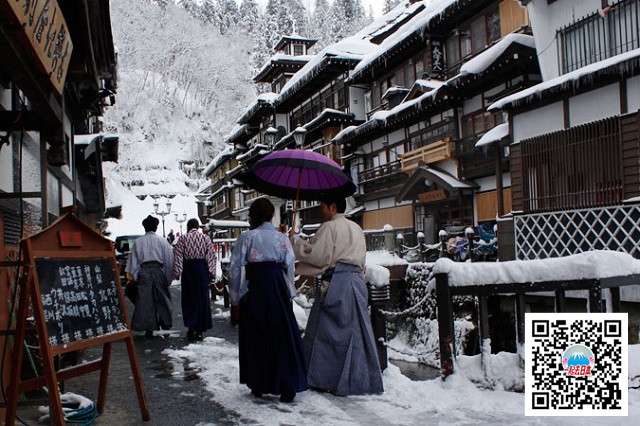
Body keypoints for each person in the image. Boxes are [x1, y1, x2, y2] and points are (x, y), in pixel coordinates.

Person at [291, 196, 383, 396]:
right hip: (357, 282)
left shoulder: (329, 227)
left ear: (332, 207)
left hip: (336, 283)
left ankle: (326, 378)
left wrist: (295, 241)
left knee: (327, 333)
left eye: (323, 205)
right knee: (356, 332)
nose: (322, 210)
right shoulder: (357, 228)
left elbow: (315, 254)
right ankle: (360, 378)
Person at [229, 198, 308, 403]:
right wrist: (288, 290)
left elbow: (235, 268)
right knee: (282, 335)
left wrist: (235, 299)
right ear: (271, 215)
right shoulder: (282, 238)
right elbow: (290, 266)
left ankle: (259, 382)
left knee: (257, 335)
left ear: (253, 215)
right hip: (278, 287)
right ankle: (286, 384)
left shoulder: (247, 237)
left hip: (256, 288)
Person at [126, 215, 174, 338]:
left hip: (144, 273)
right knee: (163, 299)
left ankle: (149, 328)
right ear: (156, 227)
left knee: (145, 301)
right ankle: (166, 324)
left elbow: (134, 262)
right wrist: (168, 278)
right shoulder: (163, 241)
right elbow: (169, 260)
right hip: (159, 271)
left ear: (144, 227)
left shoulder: (138, 242)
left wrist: (136, 276)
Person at [172, 218, 216, 342]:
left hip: (188, 271)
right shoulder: (205, 238)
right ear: (197, 226)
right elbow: (211, 256)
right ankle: (201, 330)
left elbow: (178, 256)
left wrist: (178, 272)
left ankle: (191, 328)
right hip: (201, 270)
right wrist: (211, 272)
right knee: (202, 299)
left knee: (189, 299)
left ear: (188, 227)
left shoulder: (183, 238)